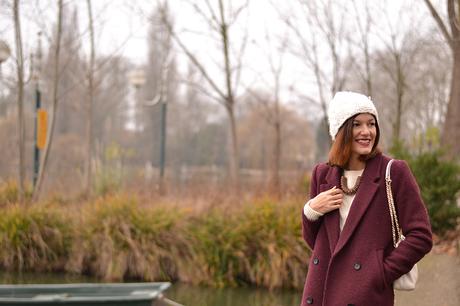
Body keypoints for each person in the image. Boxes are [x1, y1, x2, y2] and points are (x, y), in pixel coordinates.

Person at [300, 91, 433, 306]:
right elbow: (315, 243)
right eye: (356, 125)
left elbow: (421, 235)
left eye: (371, 124)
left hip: (366, 296)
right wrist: (310, 211)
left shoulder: (393, 171)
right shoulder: (322, 174)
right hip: (321, 292)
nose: (366, 132)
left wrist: (380, 272)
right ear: (340, 131)